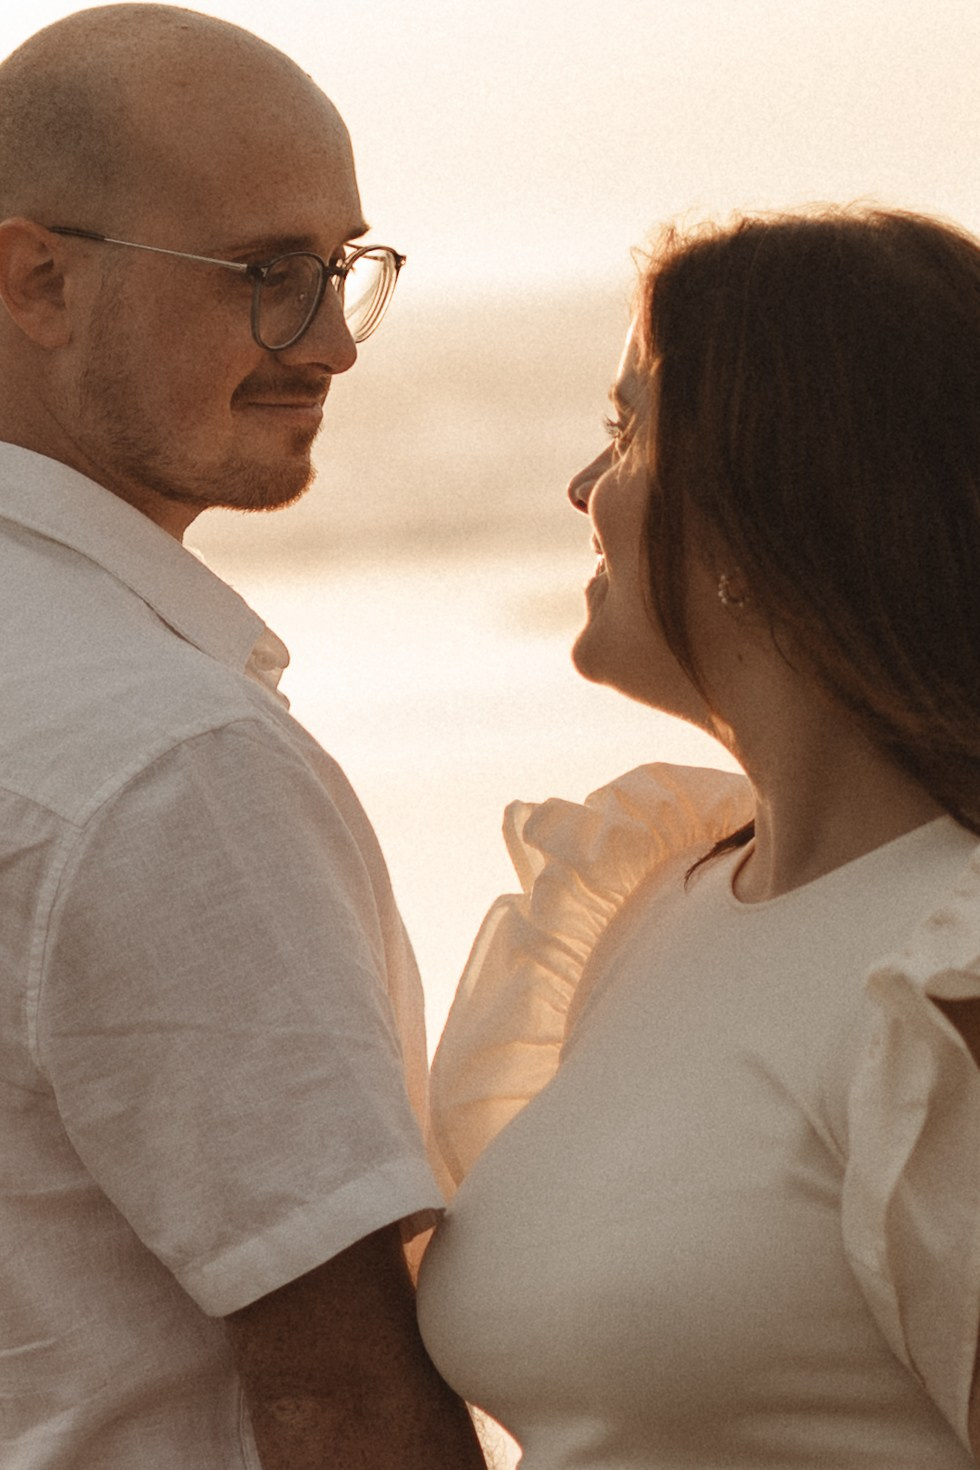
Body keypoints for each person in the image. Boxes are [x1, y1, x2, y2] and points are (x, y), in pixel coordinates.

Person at [0, 7, 486, 1468]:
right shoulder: (164, 760)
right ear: (35, 280)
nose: (330, 342)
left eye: (343, 271)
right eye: (267, 276)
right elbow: (343, 1394)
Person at [417, 207, 980, 1468]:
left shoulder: (948, 970)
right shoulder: (644, 899)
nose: (581, 487)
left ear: (762, 499)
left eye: (624, 430)